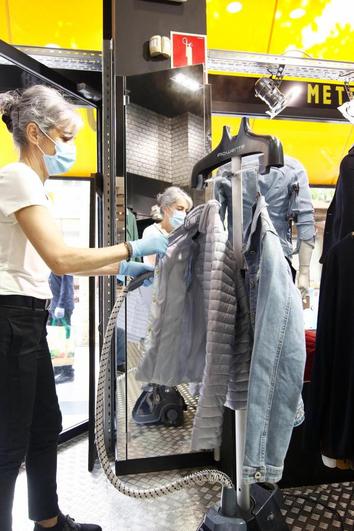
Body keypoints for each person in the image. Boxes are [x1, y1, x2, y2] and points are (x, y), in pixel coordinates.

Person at [0, 85, 168, 531]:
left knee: (45, 425)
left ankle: (49, 522)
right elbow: (61, 258)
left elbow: (53, 260)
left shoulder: (35, 186)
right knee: (9, 441)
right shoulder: (17, 177)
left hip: (27, 318)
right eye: (65, 137)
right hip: (9, 317)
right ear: (35, 134)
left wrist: (118, 267)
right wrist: (132, 244)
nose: (68, 149)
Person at [142, 186, 193, 265]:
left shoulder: (183, 233)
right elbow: (155, 264)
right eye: (179, 209)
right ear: (166, 208)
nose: (184, 214)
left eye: (186, 210)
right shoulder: (151, 232)